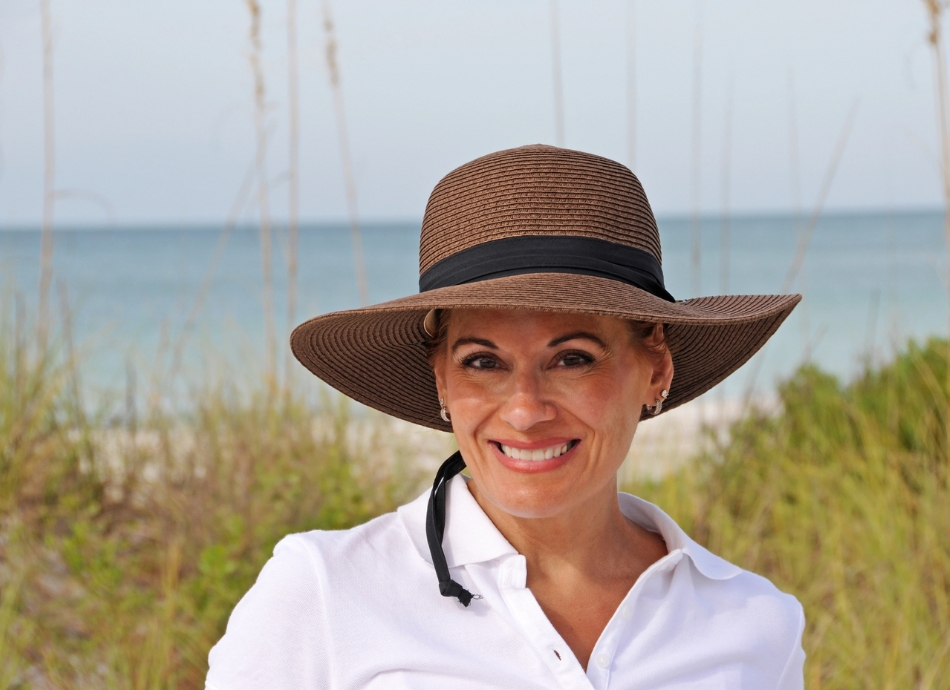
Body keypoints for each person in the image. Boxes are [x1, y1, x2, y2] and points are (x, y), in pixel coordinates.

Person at [206, 145, 805, 689]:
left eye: (573, 359)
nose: (525, 409)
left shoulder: (754, 622)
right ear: (440, 378)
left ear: (655, 370)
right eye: (482, 362)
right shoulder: (323, 593)